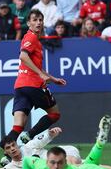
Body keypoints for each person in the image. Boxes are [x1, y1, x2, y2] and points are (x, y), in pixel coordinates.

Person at [4, 9, 67, 145]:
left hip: (20, 86)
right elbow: (23, 56)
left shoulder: (33, 39)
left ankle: (7, 154)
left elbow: (35, 65)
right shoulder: (31, 37)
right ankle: (30, 135)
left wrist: (52, 78)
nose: (38, 22)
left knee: (18, 125)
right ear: (28, 23)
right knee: (54, 114)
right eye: (35, 20)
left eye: (40, 20)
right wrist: (40, 75)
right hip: (33, 85)